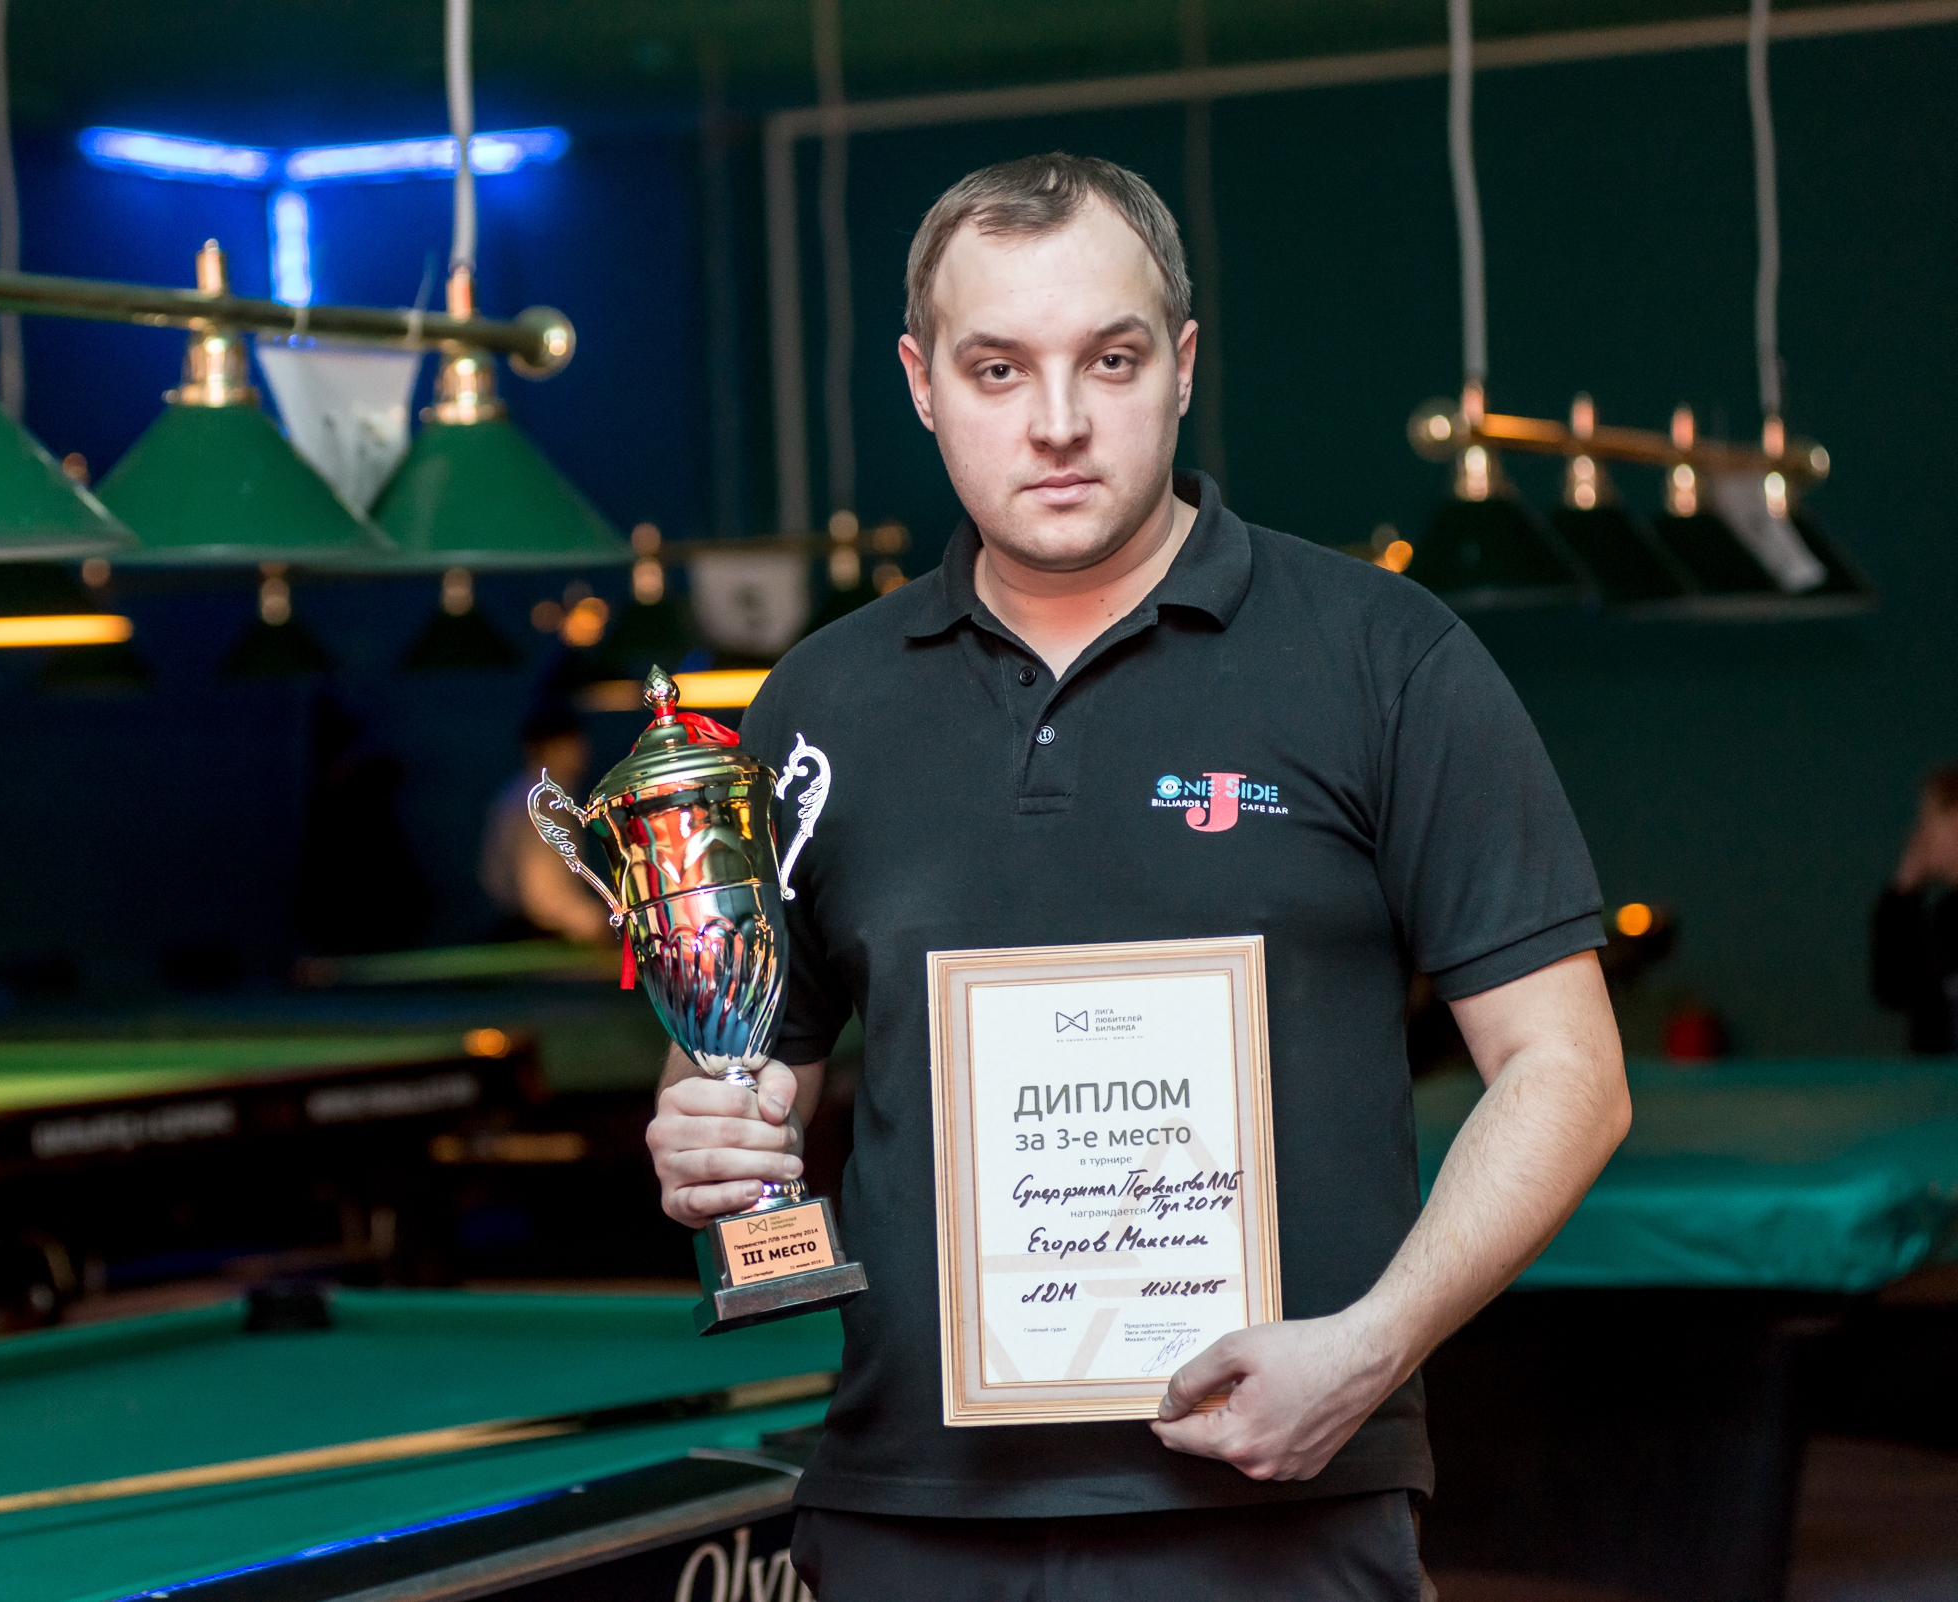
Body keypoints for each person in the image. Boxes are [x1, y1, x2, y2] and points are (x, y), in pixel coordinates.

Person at [644, 154, 1631, 1600]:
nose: (1057, 421)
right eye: (996, 368)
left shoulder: (1386, 656)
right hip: (909, 1513)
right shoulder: (818, 701)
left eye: (1108, 359)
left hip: (1278, 1504)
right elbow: (749, 1064)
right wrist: (705, 1133)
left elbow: (1569, 1072)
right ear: (922, 384)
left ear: (1181, 365)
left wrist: (1372, 1349)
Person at [478, 703, 617, 944]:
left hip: (527, 930)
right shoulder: (540, 804)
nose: (584, 751)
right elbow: (543, 898)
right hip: (538, 938)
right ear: (551, 748)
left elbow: (490, 876)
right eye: (575, 743)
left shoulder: (519, 793)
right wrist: (599, 923)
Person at [1872, 765, 1958, 1054]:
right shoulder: (1945, 916)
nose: (1921, 835)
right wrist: (1904, 891)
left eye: (1930, 819)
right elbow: (1892, 988)